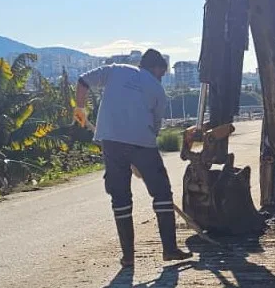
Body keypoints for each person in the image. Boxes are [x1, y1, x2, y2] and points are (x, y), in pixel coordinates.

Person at [75, 49, 193, 268]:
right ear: (156, 68)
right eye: (162, 73)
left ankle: (128, 257)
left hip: (112, 142)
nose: (161, 77)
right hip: (142, 143)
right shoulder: (157, 89)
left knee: (120, 198)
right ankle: (169, 249)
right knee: (162, 194)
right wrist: (142, 157)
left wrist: (80, 108)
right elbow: (155, 126)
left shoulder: (116, 70)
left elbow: (83, 81)